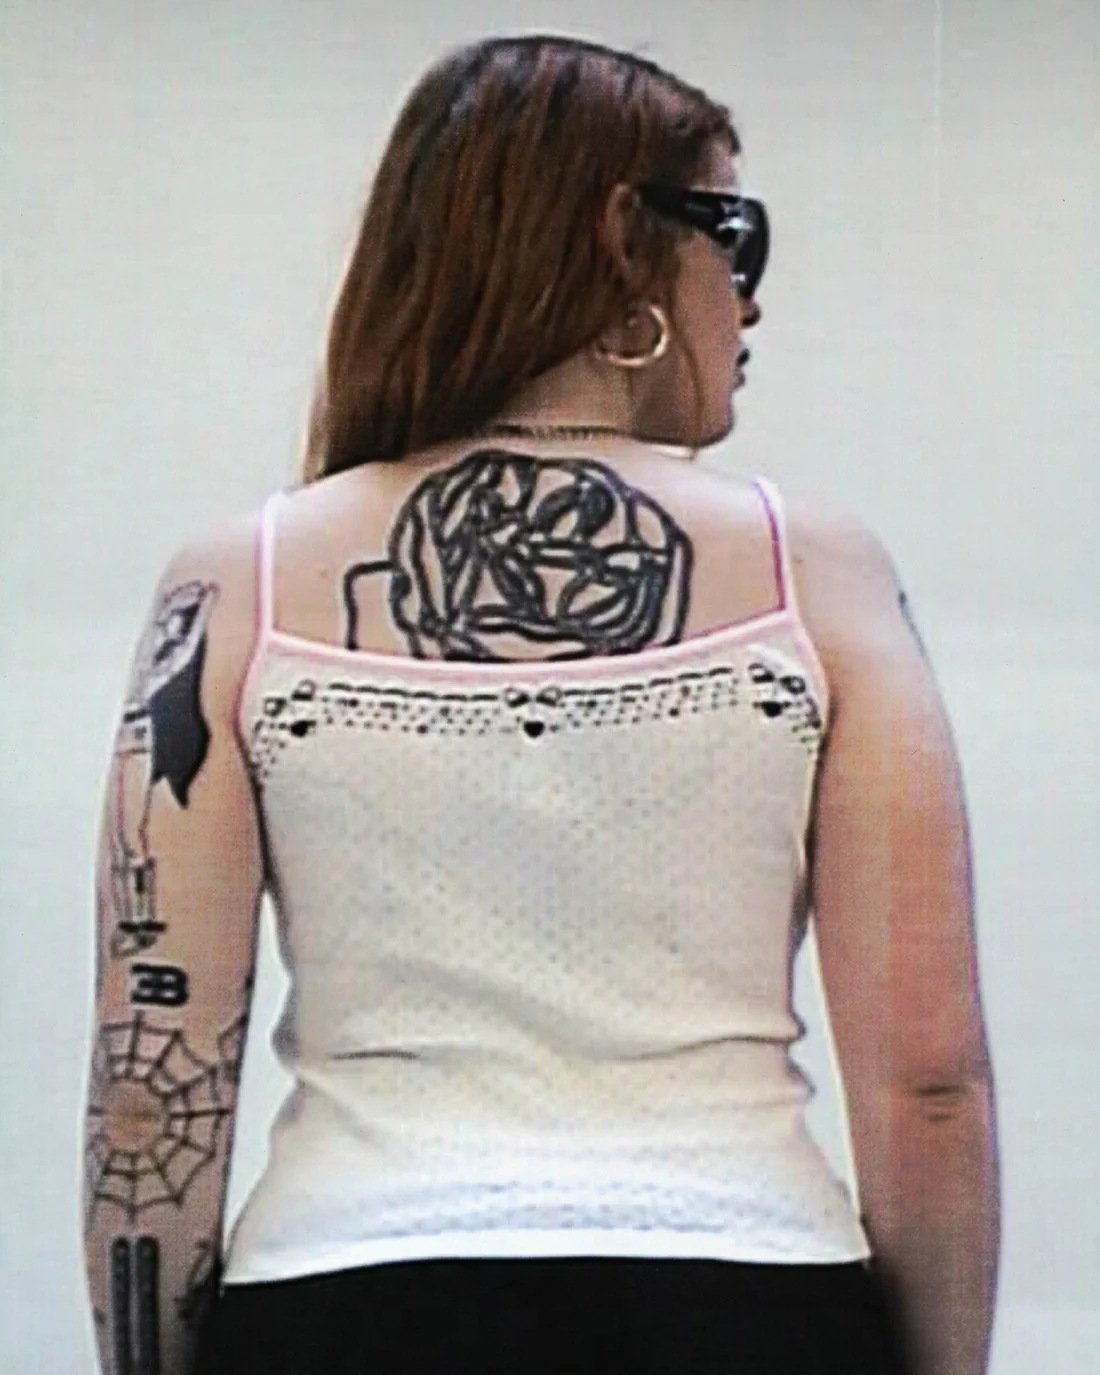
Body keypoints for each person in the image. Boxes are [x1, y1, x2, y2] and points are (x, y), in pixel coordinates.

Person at [81, 33, 1000, 1375]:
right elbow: (931, 1083)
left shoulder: (238, 587)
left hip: (344, 1308)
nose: (751, 303)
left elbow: (149, 1084)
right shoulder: (818, 574)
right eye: (734, 237)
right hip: (743, 1302)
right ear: (623, 242)